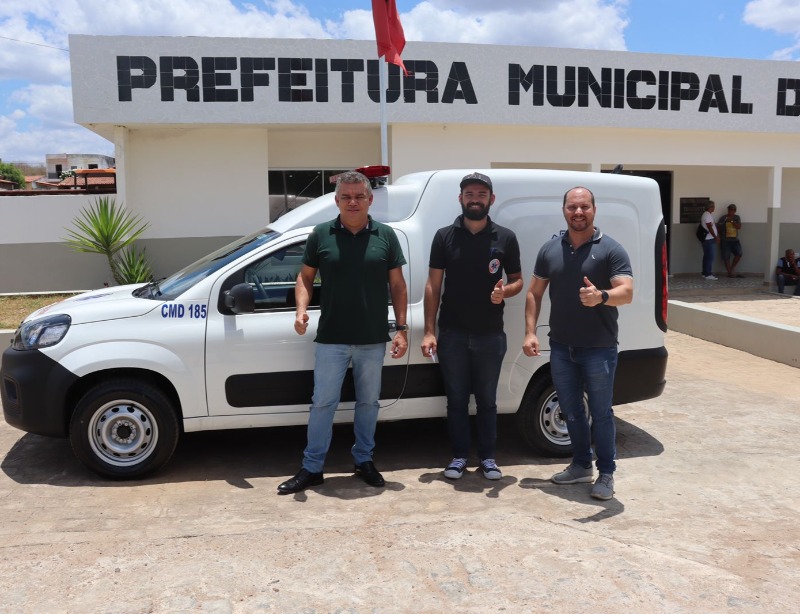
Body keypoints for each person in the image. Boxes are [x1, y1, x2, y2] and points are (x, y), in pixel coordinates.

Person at [277, 171, 409, 495]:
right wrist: (301, 309)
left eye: (359, 196)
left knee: (368, 403)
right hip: (331, 338)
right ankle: (312, 468)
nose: (353, 202)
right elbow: (305, 278)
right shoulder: (320, 234)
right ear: (336, 201)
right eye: (346, 197)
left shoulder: (386, 236)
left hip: (372, 338)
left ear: (370, 199)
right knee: (323, 404)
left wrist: (402, 329)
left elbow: (397, 285)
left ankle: (364, 461)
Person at [522, 186, 633, 501]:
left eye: (584, 206)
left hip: (599, 348)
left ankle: (606, 473)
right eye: (572, 207)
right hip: (561, 347)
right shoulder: (550, 249)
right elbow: (534, 293)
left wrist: (602, 296)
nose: (578, 212)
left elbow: (627, 292)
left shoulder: (611, 249)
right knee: (571, 411)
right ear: (564, 211)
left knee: (601, 413)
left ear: (594, 210)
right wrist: (530, 332)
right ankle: (581, 465)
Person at [421, 172, 523, 481]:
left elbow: (518, 281)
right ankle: (459, 457)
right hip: (452, 333)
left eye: (481, 194)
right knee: (456, 401)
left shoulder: (506, 237)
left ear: (491, 199)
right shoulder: (444, 236)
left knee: (487, 401)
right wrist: (429, 331)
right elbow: (433, 285)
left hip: (490, 335)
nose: (475, 199)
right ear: (461, 198)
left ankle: (488, 458)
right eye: (469, 194)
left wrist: (505, 291)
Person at [718, 203, 744, 278]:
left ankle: (732, 268)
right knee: (726, 257)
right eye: (729, 210)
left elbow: (739, 227)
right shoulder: (723, 218)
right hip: (725, 240)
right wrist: (721, 236)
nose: (730, 211)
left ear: (735, 211)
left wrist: (732, 221)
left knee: (739, 253)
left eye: (732, 210)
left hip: (735, 240)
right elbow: (718, 227)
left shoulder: (737, 217)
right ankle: (729, 272)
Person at [700, 200, 720, 280]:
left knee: (707, 256)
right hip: (709, 239)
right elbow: (709, 227)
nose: (714, 207)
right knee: (710, 257)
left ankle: (705, 273)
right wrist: (715, 237)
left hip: (708, 239)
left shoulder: (708, 214)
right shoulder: (707, 215)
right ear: (710, 207)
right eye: (713, 206)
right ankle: (708, 274)